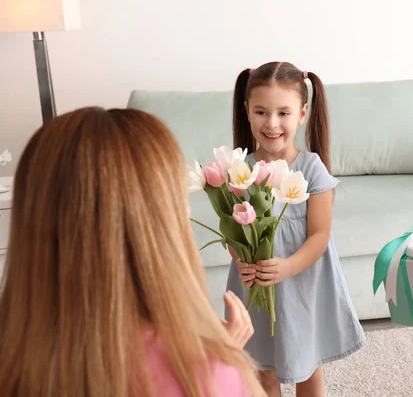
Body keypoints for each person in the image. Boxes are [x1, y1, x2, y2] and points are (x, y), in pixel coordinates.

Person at [0, 107, 265, 397]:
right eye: (177, 197)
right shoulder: (204, 374)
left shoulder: (13, 358)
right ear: (163, 221)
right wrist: (223, 361)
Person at [227, 61, 365, 397]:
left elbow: (319, 236)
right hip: (255, 285)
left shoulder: (311, 168)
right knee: (262, 368)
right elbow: (232, 231)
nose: (272, 123)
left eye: (283, 113)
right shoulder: (241, 169)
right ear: (247, 112)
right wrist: (241, 258)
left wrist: (286, 267)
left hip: (301, 284)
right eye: (261, 112)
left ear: (302, 114)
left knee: (306, 365)